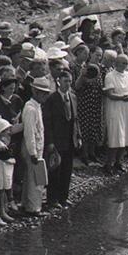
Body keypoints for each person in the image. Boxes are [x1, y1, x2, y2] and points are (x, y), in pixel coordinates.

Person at [44, 68, 81, 206]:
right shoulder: (52, 99)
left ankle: (63, 197)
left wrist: (78, 136)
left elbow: (76, 119)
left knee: (67, 169)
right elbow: (48, 122)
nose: (68, 84)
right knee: (55, 170)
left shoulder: (73, 97)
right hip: (57, 140)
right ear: (59, 82)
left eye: (70, 81)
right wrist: (50, 142)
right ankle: (52, 199)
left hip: (70, 139)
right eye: (65, 81)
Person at [102, 52, 128, 174]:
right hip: (116, 109)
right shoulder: (110, 76)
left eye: (126, 63)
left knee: (126, 135)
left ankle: (119, 162)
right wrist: (123, 97)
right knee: (116, 135)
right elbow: (109, 94)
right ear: (116, 63)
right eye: (122, 63)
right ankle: (108, 164)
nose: (124, 65)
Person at [21, 76, 51, 215]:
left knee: (32, 178)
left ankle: (28, 204)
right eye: (42, 93)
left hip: (36, 146)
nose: (45, 96)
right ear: (35, 92)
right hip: (31, 148)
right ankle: (33, 207)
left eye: (46, 93)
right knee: (35, 179)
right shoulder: (31, 108)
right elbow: (29, 132)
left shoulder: (36, 107)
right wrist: (33, 152)